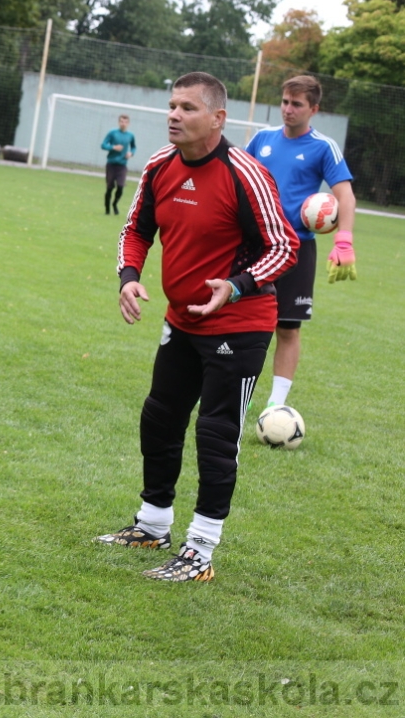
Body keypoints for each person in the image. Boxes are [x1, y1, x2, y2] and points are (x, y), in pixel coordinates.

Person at [99, 72, 298, 582]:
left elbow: (283, 247)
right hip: (180, 322)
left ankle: (201, 551)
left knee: (215, 433)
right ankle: (152, 525)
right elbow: (136, 228)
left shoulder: (245, 174)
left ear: (217, 118)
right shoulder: (161, 165)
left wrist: (234, 286)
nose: (173, 115)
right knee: (160, 417)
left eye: (188, 107)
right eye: (171, 105)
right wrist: (128, 277)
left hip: (240, 324)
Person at [244, 75, 357, 408]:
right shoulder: (262, 139)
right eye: (284, 102)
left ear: (314, 109)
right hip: (256, 244)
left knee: (288, 328)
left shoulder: (323, 147)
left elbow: (345, 196)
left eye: (296, 104)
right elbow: (238, 181)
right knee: (244, 323)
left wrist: (344, 240)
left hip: (296, 248)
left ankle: (275, 406)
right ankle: (238, 394)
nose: (288, 110)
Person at [101, 114, 136, 215]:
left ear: (128, 123)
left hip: (122, 165)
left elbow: (133, 147)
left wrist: (131, 153)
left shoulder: (130, 135)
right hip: (111, 164)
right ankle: (107, 210)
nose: (123, 124)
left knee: (120, 186)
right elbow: (103, 145)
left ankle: (114, 204)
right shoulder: (112, 133)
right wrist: (113, 147)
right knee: (110, 187)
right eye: (121, 121)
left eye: (125, 122)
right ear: (118, 122)